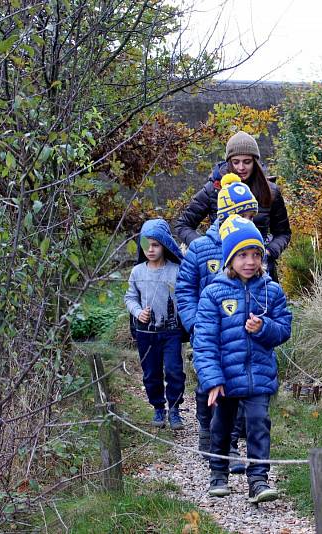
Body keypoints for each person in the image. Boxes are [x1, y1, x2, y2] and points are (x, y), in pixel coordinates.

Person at [192, 215, 292, 503]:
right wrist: (211, 380)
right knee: (221, 428)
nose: (250, 261)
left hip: (259, 375)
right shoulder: (213, 293)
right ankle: (218, 474)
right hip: (224, 378)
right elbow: (204, 341)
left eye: (256, 255)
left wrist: (264, 329)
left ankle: (258, 481)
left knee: (259, 423)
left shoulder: (270, 290)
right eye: (243, 255)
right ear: (230, 258)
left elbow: (284, 329)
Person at [175, 173, 257, 471]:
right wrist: (195, 324)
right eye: (245, 215)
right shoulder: (200, 248)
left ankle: (229, 447)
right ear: (228, 215)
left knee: (233, 387)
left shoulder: (251, 249)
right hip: (208, 331)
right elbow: (185, 290)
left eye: (252, 216)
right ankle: (206, 433)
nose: (250, 221)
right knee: (207, 384)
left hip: (239, 333)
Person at [174, 131, 291, 282]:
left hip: (259, 269)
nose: (241, 167)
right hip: (223, 271)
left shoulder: (271, 191)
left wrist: (269, 252)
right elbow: (183, 225)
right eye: (236, 162)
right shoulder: (214, 189)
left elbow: (283, 233)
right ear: (229, 162)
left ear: (255, 161)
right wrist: (205, 249)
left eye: (247, 162)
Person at [124, 219, 186, 430]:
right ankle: (158, 407)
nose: (150, 250)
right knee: (151, 373)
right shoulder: (137, 272)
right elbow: (130, 298)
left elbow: (186, 296)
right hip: (145, 333)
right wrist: (139, 312)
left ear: (165, 245)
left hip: (171, 332)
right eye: (146, 245)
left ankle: (175, 409)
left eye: (155, 245)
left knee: (174, 370)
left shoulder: (177, 270)